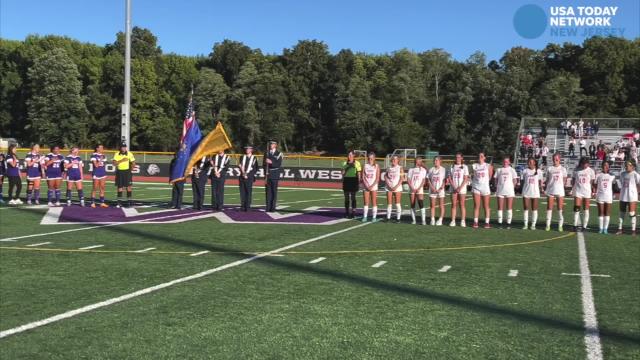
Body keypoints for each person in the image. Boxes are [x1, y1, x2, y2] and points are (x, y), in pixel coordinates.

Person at [544, 153, 568, 232]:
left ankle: (560, 226)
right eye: (554, 159)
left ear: (559, 159)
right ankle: (548, 225)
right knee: (549, 208)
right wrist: (545, 188)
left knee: (560, 208)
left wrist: (561, 186)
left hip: (560, 191)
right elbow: (547, 179)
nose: (555, 161)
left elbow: (564, 180)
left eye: (557, 159)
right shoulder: (550, 168)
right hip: (550, 190)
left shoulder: (563, 169)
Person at [571, 157, 596, 232]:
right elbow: (573, 180)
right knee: (576, 208)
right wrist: (573, 187)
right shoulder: (576, 170)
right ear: (581, 163)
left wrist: (592, 189)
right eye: (583, 163)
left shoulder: (591, 171)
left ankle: (584, 226)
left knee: (586, 209)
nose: (585, 165)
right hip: (578, 191)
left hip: (587, 191)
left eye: (586, 163)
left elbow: (592, 181)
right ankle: (574, 225)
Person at [617, 160, 640, 235]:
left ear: (632, 166)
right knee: (621, 213)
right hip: (623, 195)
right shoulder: (622, 174)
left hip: (632, 196)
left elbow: (638, 184)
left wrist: (637, 193)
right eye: (626, 165)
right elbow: (621, 182)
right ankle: (620, 229)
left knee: (631, 212)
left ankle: (633, 230)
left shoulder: (636, 175)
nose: (627, 166)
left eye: (628, 165)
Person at [494, 156, 517, 228]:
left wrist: (512, 187)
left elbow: (515, 180)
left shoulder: (512, 170)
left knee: (509, 207)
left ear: (509, 162)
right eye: (504, 161)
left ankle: (508, 223)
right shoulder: (499, 169)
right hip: (500, 190)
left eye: (507, 161)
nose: (505, 163)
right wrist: (496, 186)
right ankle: (500, 223)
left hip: (509, 191)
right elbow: (496, 179)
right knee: (500, 207)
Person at [520, 157, 543, 230]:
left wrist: (541, 188)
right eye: (529, 162)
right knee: (526, 208)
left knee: (534, 209)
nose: (529, 163)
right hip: (526, 191)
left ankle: (533, 224)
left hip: (535, 192)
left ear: (534, 163)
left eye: (531, 162)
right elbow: (522, 181)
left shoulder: (539, 171)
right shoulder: (525, 171)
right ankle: (525, 224)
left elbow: (540, 182)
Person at [472, 152, 493, 228]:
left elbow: (490, 177)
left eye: (481, 156)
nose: (480, 157)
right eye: (479, 156)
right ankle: (475, 222)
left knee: (486, 206)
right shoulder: (474, 166)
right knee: (476, 205)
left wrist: (484, 183)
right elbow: (473, 176)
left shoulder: (488, 166)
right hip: (476, 187)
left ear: (484, 158)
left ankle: (487, 222)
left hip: (485, 188)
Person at [448, 153, 469, 227]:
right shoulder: (451, 166)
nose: (457, 159)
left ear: (462, 158)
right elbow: (450, 178)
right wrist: (454, 186)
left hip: (462, 189)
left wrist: (460, 187)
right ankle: (453, 220)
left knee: (462, 205)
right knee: (454, 205)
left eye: (459, 157)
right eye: (456, 157)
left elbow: (466, 178)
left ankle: (463, 221)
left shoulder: (465, 167)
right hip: (453, 188)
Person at [113, 142, 136, 208]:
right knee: (120, 187)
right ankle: (119, 202)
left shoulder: (129, 153)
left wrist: (130, 170)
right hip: (119, 172)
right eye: (122, 147)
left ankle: (129, 202)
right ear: (120, 147)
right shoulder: (117, 154)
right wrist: (122, 160)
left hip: (127, 172)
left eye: (124, 147)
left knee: (128, 186)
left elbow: (133, 163)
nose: (123, 148)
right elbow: (114, 163)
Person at [595, 161, 615, 234]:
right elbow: (594, 184)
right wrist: (594, 191)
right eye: (604, 165)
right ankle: (600, 228)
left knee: (607, 212)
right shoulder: (598, 175)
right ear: (602, 166)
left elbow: (614, 185)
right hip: (600, 195)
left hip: (608, 196)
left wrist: (614, 193)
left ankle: (605, 229)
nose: (605, 167)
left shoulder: (612, 175)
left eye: (607, 165)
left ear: (609, 167)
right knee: (601, 212)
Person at [263, 140, 283, 212]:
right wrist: (265, 174)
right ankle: (268, 207)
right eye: (270, 144)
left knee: (274, 192)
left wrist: (271, 162)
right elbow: (264, 165)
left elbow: (278, 164)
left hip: (275, 175)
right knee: (268, 192)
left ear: (275, 145)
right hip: (268, 175)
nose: (270, 145)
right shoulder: (267, 153)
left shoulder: (279, 154)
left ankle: (273, 208)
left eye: (272, 144)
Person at [341, 151, 361, 218]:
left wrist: (359, 182)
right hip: (346, 180)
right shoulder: (344, 163)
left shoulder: (357, 163)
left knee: (353, 197)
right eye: (348, 155)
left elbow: (358, 173)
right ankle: (347, 212)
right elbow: (343, 173)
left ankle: (353, 212)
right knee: (346, 198)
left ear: (353, 156)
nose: (349, 156)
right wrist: (347, 166)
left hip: (353, 180)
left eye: (350, 155)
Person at [407, 157, 427, 225]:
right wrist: (412, 187)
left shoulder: (423, 170)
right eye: (416, 161)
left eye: (418, 161)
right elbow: (409, 179)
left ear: (421, 162)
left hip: (419, 189)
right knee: (412, 204)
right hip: (412, 189)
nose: (417, 162)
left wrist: (419, 188)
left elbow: (423, 180)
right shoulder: (411, 169)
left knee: (421, 204)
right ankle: (414, 220)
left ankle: (423, 220)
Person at [361, 152, 380, 223]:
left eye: (372, 158)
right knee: (366, 202)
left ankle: (374, 217)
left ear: (374, 158)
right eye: (369, 158)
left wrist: (372, 186)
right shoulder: (365, 165)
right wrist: (366, 185)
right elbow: (363, 176)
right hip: (366, 186)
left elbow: (377, 178)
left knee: (374, 202)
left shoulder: (377, 166)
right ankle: (365, 216)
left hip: (374, 186)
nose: (370, 160)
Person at [384, 155, 404, 222]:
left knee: (397, 203)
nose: (394, 161)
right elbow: (385, 176)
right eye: (393, 159)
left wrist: (396, 186)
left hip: (397, 188)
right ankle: (388, 218)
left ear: (398, 160)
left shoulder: (400, 168)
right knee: (389, 204)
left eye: (395, 159)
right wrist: (388, 184)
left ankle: (398, 219)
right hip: (389, 187)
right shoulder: (388, 167)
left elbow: (401, 179)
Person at [427, 156, 446, 226]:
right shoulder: (431, 169)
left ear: (440, 161)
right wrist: (432, 188)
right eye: (434, 160)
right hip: (432, 190)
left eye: (437, 160)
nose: (435, 162)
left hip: (440, 190)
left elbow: (444, 181)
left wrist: (440, 188)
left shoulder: (443, 169)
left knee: (441, 205)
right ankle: (432, 219)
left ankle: (440, 219)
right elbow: (428, 180)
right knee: (432, 205)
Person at [238, 145, 258, 212]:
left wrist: (248, 175)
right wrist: (243, 173)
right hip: (242, 177)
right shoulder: (242, 157)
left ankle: (248, 207)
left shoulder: (254, 158)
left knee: (248, 192)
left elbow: (255, 168)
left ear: (251, 150)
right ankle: (243, 206)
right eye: (246, 149)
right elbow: (240, 166)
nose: (247, 150)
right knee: (242, 192)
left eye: (248, 149)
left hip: (249, 178)